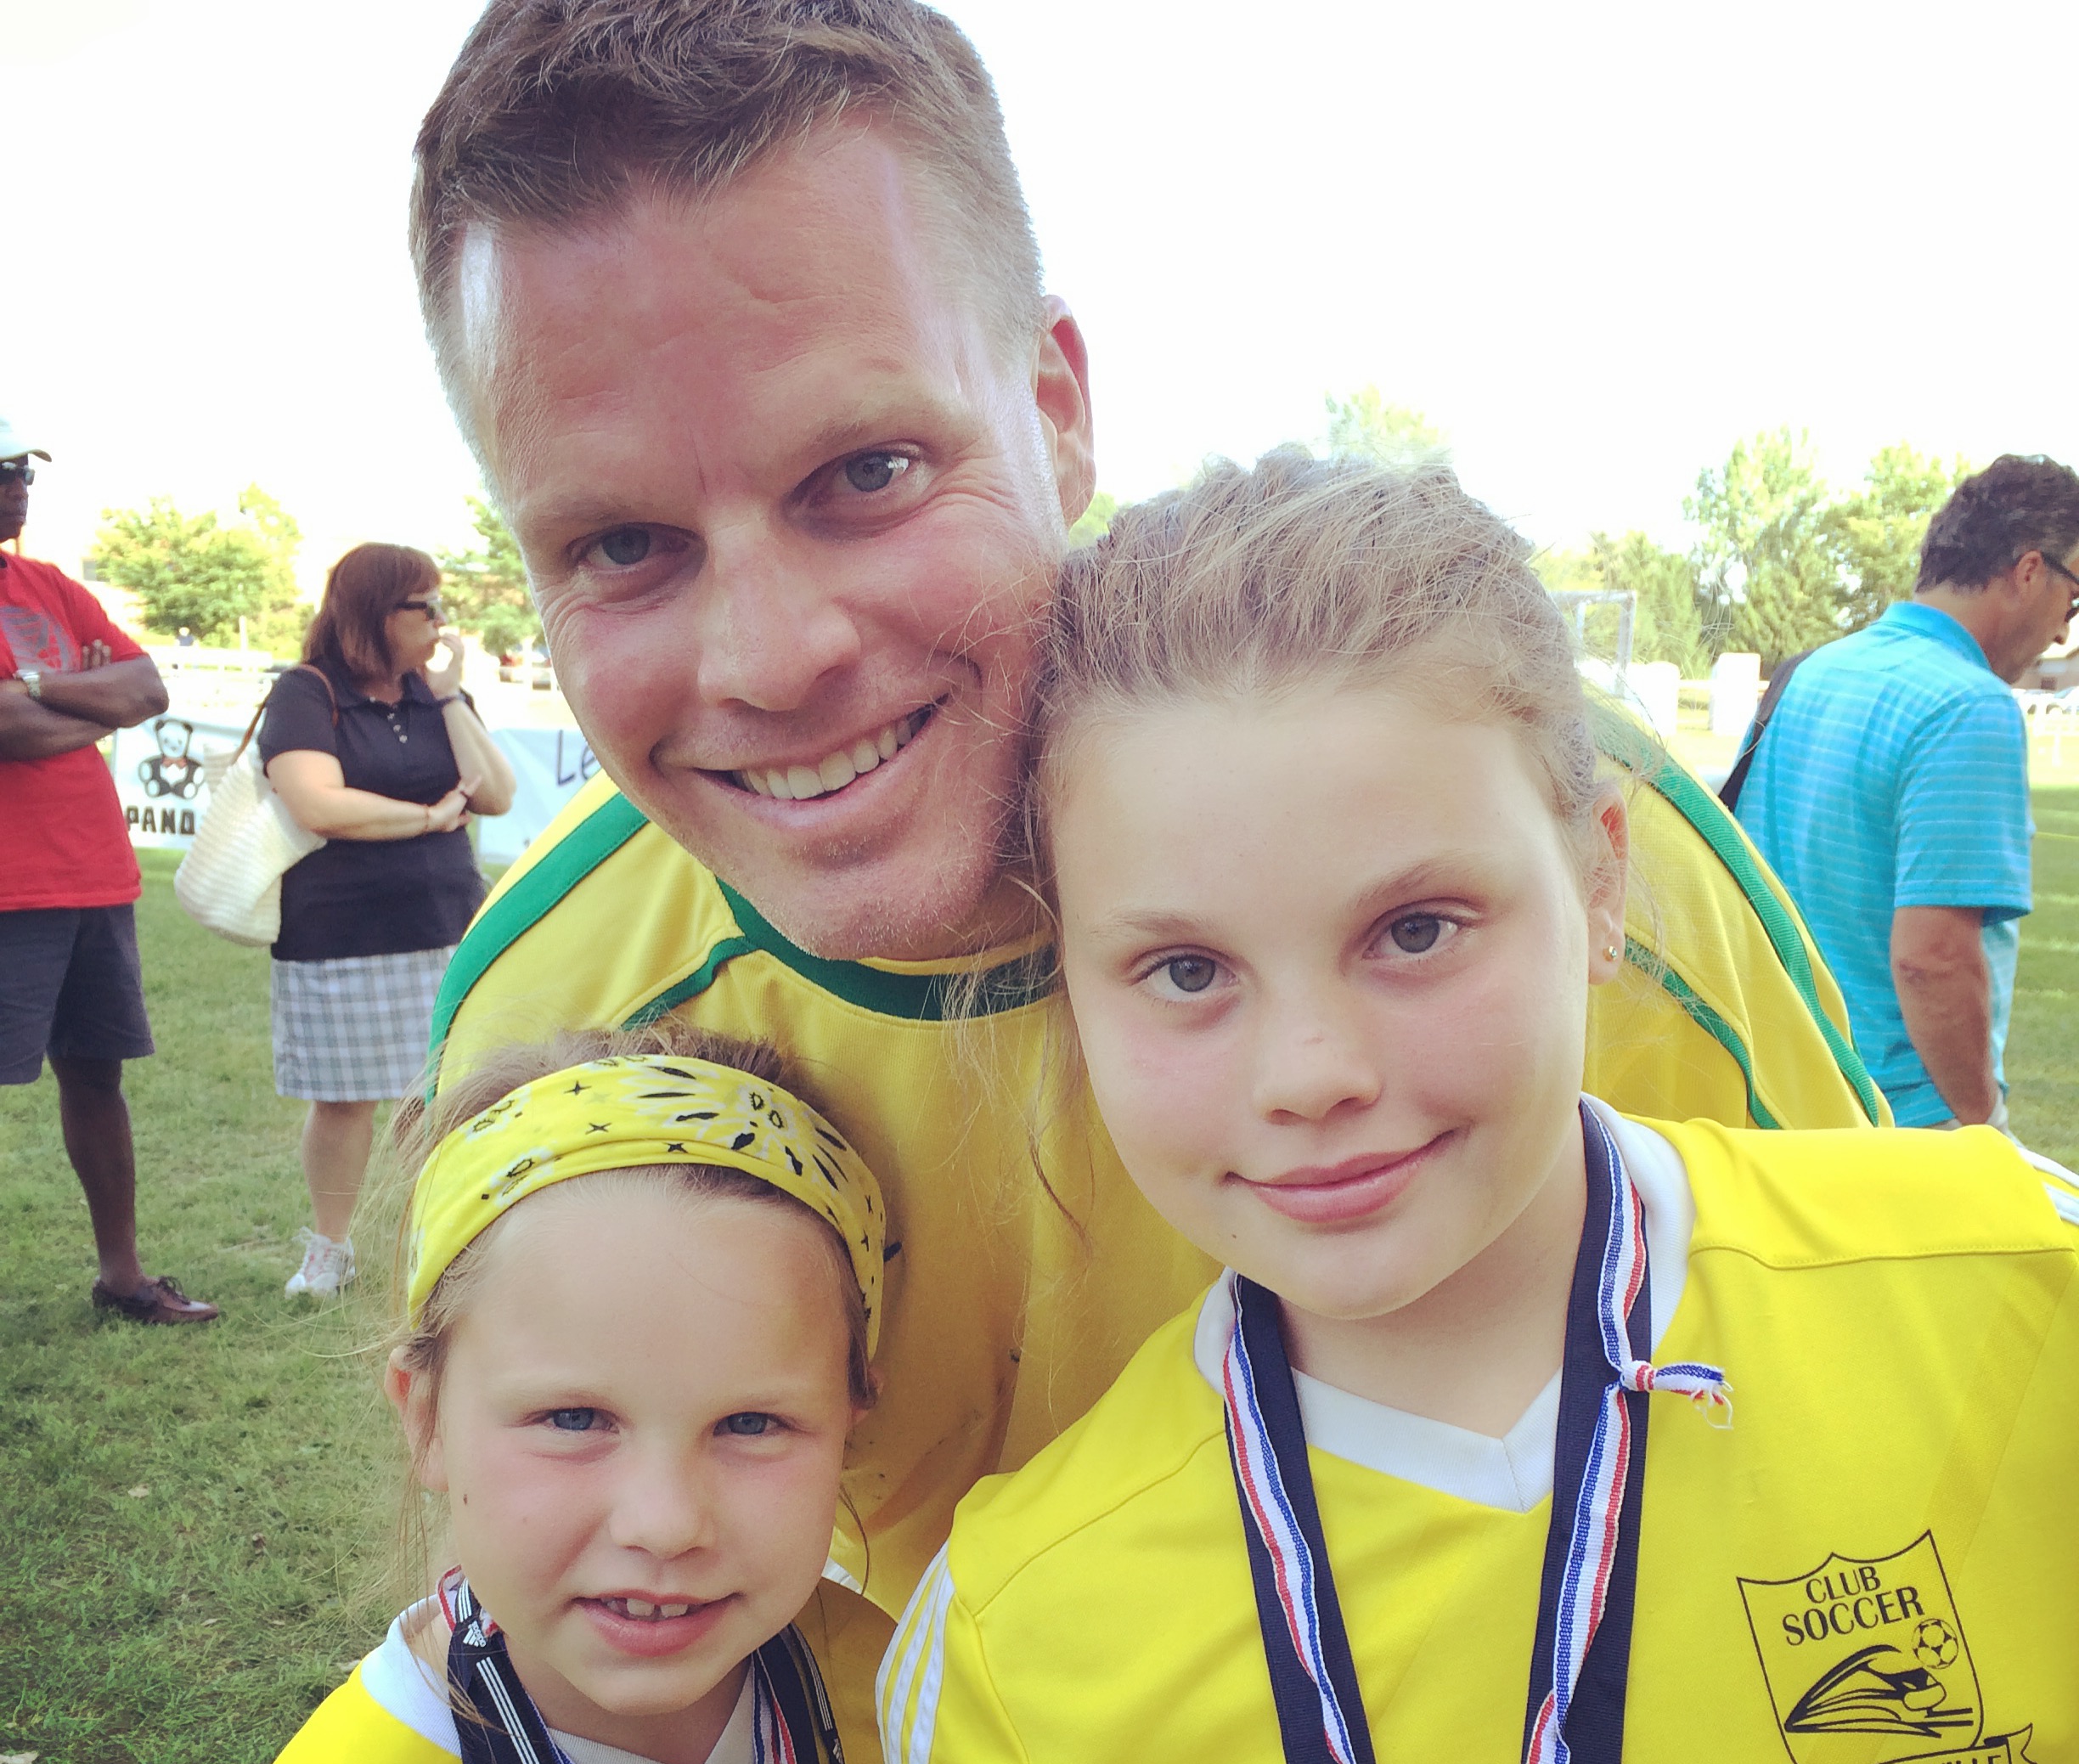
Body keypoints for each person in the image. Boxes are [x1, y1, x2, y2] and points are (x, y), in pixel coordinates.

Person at [410, 0, 1882, 1610]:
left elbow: (1862, 1419)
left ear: (1052, 408)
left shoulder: (1541, 850)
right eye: (620, 546)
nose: (769, 659)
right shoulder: (557, 1022)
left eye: (869, 471)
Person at [858, 454, 2079, 1764]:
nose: (1309, 1069)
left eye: (1415, 928)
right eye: (1181, 967)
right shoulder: (1025, 1621)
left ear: (1595, 874)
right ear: (1066, 972)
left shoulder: (2007, 1283)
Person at [74, 1023, 893, 1764]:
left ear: (850, 1425)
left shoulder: (914, 1704)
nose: (664, 1522)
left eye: (753, 1425)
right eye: (572, 1418)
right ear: (425, 1420)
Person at [1734, 454, 2079, 1128]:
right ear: (2031, 570)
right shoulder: (1967, 706)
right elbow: (1932, 959)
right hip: (1899, 1120)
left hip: (1781, 1095)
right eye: (2076, 600)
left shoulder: (1812, 671)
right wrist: (1982, 1121)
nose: (2066, 630)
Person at [0, 414, 218, 1326]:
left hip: (93, 876)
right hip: (11, 891)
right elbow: (4, 729)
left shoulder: (44, 585)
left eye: (23, 470)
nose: (19, 485)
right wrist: (94, 706)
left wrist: (43, 690)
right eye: (3, 470)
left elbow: (148, 690)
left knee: (98, 1076)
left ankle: (122, 1278)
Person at [259, 543, 516, 1297]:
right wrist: (428, 817)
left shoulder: (428, 697)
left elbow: (496, 793)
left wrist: (447, 695)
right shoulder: (308, 691)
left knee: (445, 1092)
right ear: (376, 613)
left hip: (447, 921)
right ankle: (329, 1250)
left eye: (442, 604)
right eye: (424, 607)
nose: (441, 621)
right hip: (339, 932)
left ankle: (440, 1239)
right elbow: (317, 803)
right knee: (343, 1100)